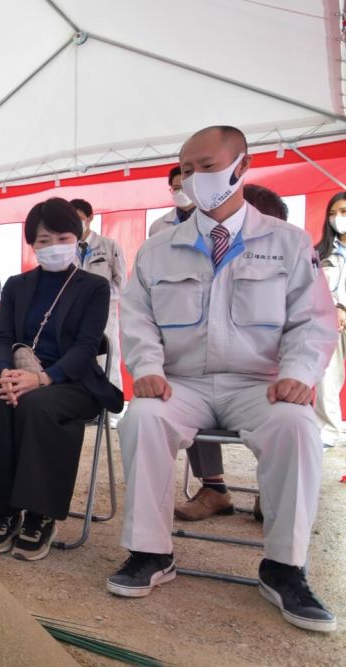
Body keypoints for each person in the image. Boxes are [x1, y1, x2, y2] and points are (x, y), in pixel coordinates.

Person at [110, 126, 338, 633]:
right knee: (142, 418)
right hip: (182, 383)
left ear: (241, 166)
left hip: (259, 384)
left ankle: (284, 567)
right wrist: (145, 368)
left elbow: (313, 319)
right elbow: (137, 317)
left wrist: (300, 374)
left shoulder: (288, 243)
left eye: (207, 166)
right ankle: (151, 553)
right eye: (186, 169)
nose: (194, 178)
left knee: (299, 428)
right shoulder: (159, 247)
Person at [0, 198, 124, 561]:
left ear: (78, 238)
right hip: (20, 374)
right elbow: (3, 336)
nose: (52, 247)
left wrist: (45, 378)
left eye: (62, 237)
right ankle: (3, 510)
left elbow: (86, 347)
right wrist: (5, 372)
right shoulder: (17, 286)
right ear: (32, 244)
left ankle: (39, 515)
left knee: (36, 407)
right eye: (43, 240)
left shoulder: (93, 288)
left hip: (72, 381)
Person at [176, 183, 289, 522]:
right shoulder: (192, 258)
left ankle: (272, 492)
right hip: (207, 375)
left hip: (264, 379)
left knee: (287, 413)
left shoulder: (290, 261)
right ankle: (214, 489)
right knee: (187, 385)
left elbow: (306, 331)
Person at [70, 198, 127, 394]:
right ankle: (85, 405)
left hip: (104, 313)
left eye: (78, 218)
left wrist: (99, 298)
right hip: (73, 314)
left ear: (90, 218)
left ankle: (110, 410)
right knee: (77, 357)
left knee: (107, 357)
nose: (74, 223)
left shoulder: (109, 246)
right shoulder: (66, 249)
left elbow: (122, 284)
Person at [313, 192, 346, 449]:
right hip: (331, 320)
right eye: (333, 213)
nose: (338, 218)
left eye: (344, 212)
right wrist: (335, 307)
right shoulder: (320, 252)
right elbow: (313, 288)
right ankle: (328, 432)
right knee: (327, 376)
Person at [148, 166, 197, 237]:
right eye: (176, 188)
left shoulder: (210, 220)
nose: (180, 192)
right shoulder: (157, 226)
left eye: (185, 187)